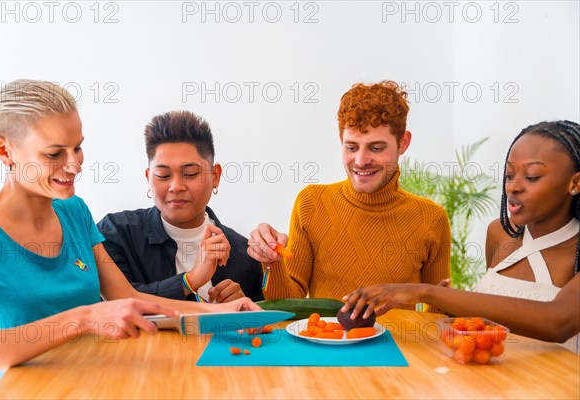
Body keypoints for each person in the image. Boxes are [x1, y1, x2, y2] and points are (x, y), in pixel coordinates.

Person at [0, 80, 259, 398]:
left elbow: (124, 297)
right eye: (55, 153)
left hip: (92, 387)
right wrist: (83, 318)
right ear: (5, 151)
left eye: (78, 147)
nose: (74, 165)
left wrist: (223, 313)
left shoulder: (74, 212)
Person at [342, 120, 580, 353]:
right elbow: (497, 319)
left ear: (575, 182)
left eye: (532, 177)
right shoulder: (498, 233)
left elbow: (558, 322)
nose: (513, 187)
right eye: (509, 175)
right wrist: (450, 311)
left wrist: (426, 291)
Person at [247, 81, 451, 303]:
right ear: (340, 141)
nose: (361, 161)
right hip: (325, 337)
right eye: (351, 147)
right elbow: (288, 305)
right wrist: (272, 262)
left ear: (403, 143)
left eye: (376, 148)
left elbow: (436, 321)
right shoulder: (311, 203)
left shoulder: (431, 219)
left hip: (399, 339)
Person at [97, 111, 263, 303]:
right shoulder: (115, 234)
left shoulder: (244, 254)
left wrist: (241, 310)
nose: (176, 186)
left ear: (215, 176)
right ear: (148, 178)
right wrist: (190, 280)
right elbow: (118, 303)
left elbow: (260, 326)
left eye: (190, 174)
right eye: (163, 175)